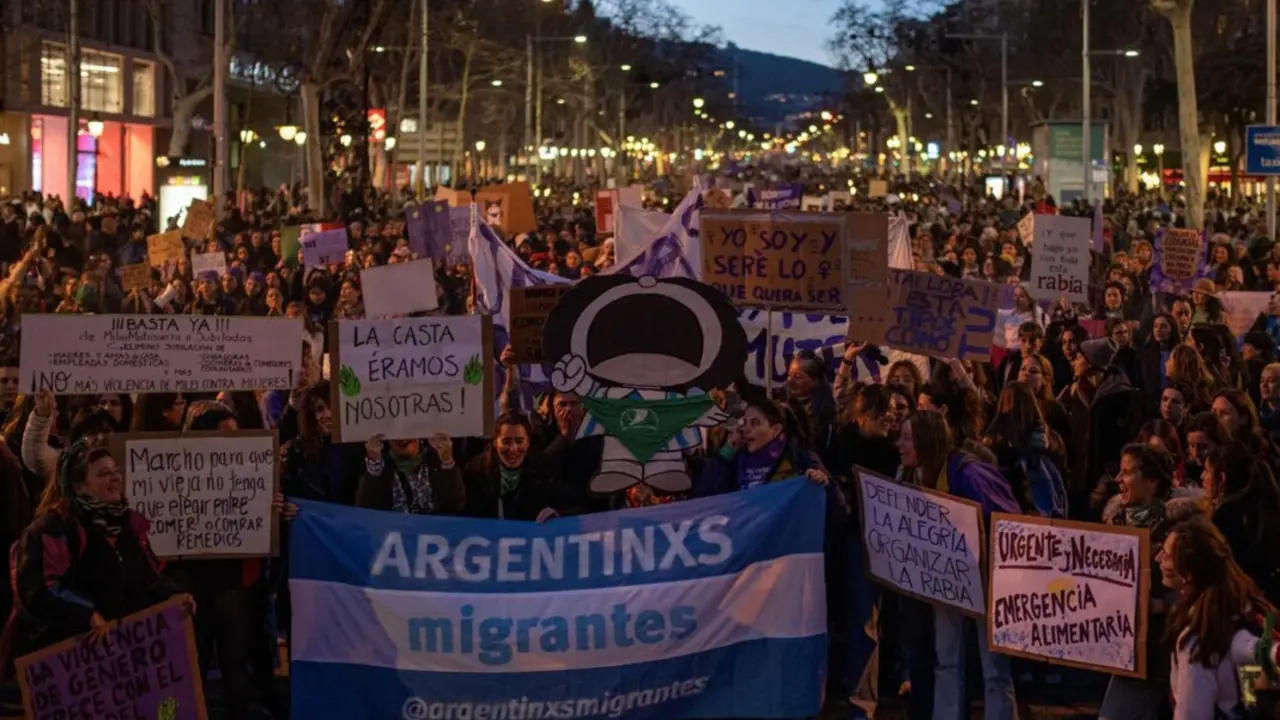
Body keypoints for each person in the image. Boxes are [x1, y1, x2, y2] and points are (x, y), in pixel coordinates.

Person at [3, 441, 194, 667]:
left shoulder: (128, 525)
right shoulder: (54, 530)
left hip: (126, 656)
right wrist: (87, 614)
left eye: (115, 471)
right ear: (79, 487)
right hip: (75, 659)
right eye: (104, 474)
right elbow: (37, 591)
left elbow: (148, 576)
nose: (115, 478)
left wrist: (173, 595)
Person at [897, 410, 1019, 720]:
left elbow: (1009, 521)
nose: (899, 445)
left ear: (927, 440)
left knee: (994, 668)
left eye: (907, 438)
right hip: (946, 580)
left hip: (986, 579)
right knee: (946, 660)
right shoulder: (912, 474)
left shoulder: (970, 473)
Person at [1160, 517, 1278, 719]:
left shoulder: (1198, 641)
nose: (1158, 558)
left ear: (1188, 573)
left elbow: (1193, 713)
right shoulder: (1247, 609)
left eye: (1167, 556)